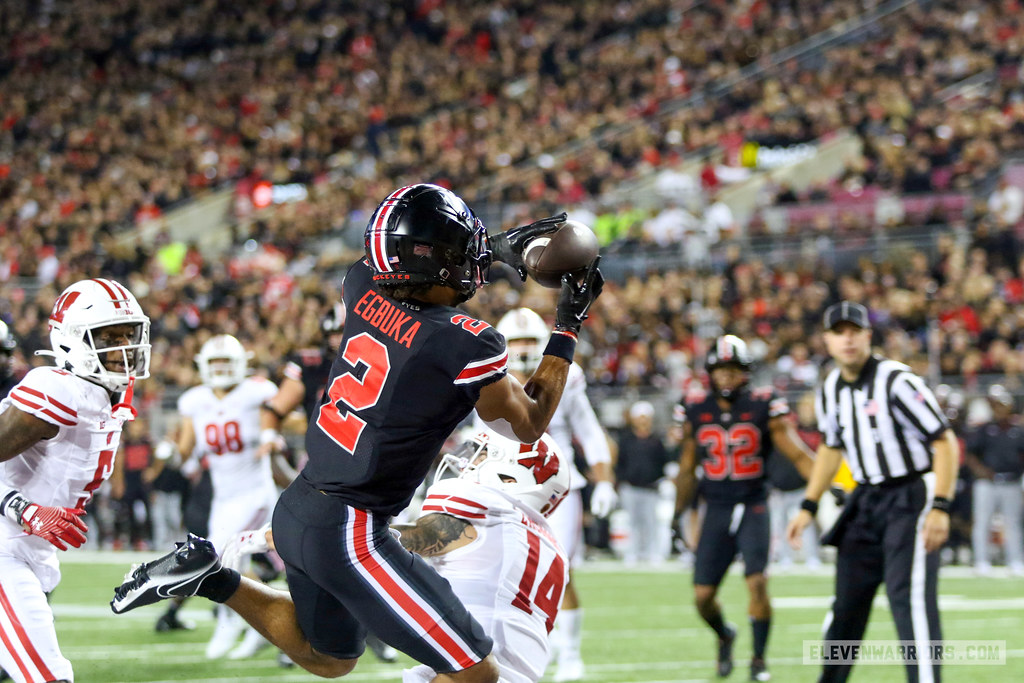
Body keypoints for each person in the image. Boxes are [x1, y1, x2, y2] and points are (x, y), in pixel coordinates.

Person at [112, 183, 602, 683]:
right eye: (459, 254)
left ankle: (212, 578)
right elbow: (529, 423)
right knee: (475, 672)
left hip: (299, 505)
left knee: (329, 657)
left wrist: (493, 247)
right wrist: (567, 325)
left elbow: (409, 264)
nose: (469, 264)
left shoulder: (360, 283)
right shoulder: (465, 343)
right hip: (353, 531)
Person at [222, 429, 571, 683]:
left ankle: (219, 583)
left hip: (473, 673)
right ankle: (220, 583)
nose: (467, 461)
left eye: (481, 455)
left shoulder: (487, 506)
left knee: (330, 655)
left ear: (513, 477)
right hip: (511, 673)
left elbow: (419, 538)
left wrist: (311, 534)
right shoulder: (548, 544)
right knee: (331, 657)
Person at [787, 301, 959, 683]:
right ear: (827, 340)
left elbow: (945, 442)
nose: (847, 339)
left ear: (868, 335)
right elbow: (831, 447)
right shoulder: (830, 387)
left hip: (908, 496)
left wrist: (941, 506)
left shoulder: (897, 381)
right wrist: (808, 505)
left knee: (908, 600)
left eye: (854, 331)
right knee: (846, 602)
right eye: (839, 332)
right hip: (864, 499)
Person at [0, 278, 150, 683]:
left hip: (30, 553)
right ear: (72, 341)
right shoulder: (59, 389)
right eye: (107, 337)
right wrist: (20, 506)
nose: (123, 348)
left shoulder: (104, 392)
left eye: (128, 334)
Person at [259, 301, 400, 664]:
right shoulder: (311, 364)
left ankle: (372, 632)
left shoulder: (393, 353)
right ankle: (307, 632)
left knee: (367, 552)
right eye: (334, 333)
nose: (340, 339)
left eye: (344, 330)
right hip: (324, 462)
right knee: (313, 553)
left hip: (373, 465)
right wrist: (268, 436)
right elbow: (275, 408)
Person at [485, 306, 617, 682]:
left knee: (559, 569)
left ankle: (571, 655)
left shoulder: (567, 377)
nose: (525, 349)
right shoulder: (489, 375)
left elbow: (589, 431)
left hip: (557, 487)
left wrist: (604, 480)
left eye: (531, 341)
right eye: (518, 341)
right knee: (501, 572)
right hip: (504, 488)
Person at [673, 334, 815, 682]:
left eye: (733, 370)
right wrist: (678, 515)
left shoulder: (764, 404)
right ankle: (725, 634)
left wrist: (828, 485)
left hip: (753, 504)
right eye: (721, 370)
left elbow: (796, 453)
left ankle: (758, 659)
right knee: (703, 597)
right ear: (710, 372)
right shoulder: (694, 407)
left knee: (757, 583)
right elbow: (687, 468)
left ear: (746, 372)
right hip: (716, 506)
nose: (727, 377)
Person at [173, 334, 280, 660]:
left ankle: (229, 621)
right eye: (214, 363)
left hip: (255, 493)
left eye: (225, 362)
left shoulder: (257, 391)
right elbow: (186, 446)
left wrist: (272, 437)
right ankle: (267, 620)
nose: (220, 369)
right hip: (223, 498)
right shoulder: (194, 400)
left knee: (218, 556)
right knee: (233, 563)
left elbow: (281, 419)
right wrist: (177, 452)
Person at [965, 384, 1024, 576]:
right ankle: (981, 561)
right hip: (987, 483)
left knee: (1013, 523)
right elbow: (971, 454)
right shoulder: (984, 429)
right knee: (982, 522)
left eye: (1002, 405)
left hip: (1012, 482)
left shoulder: (1018, 430)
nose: (999, 409)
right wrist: (981, 471)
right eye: (996, 405)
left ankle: (1015, 560)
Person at [614, 401, 674, 565]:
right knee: (631, 522)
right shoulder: (626, 440)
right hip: (630, 487)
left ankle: (652, 553)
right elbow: (620, 462)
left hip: (651, 488)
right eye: (639, 417)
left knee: (651, 522)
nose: (642, 421)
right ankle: (632, 553)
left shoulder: (656, 440)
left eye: (645, 418)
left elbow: (664, 462)